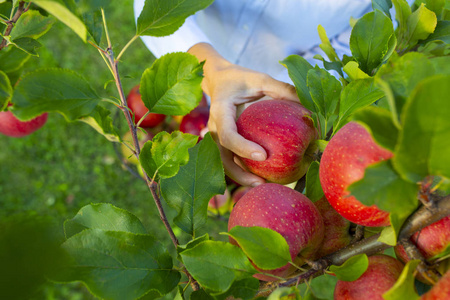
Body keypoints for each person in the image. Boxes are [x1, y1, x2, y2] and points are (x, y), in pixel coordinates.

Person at [133, 0, 411, 187]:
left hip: (269, 98)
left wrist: (269, 107)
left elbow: (348, 49)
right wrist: (212, 71)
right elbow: (155, 6)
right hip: (192, 56)